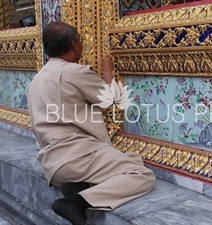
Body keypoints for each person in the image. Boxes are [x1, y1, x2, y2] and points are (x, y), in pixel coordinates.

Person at [27, 21, 156, 225]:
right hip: (78, 157)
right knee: (142, 175)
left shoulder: (36, 80)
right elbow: (112, 100)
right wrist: (108, 74)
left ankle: (81, 186)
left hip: (53, 164)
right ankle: (77, 202)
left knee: (133, 159)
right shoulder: (74, 72)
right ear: (74, 45)